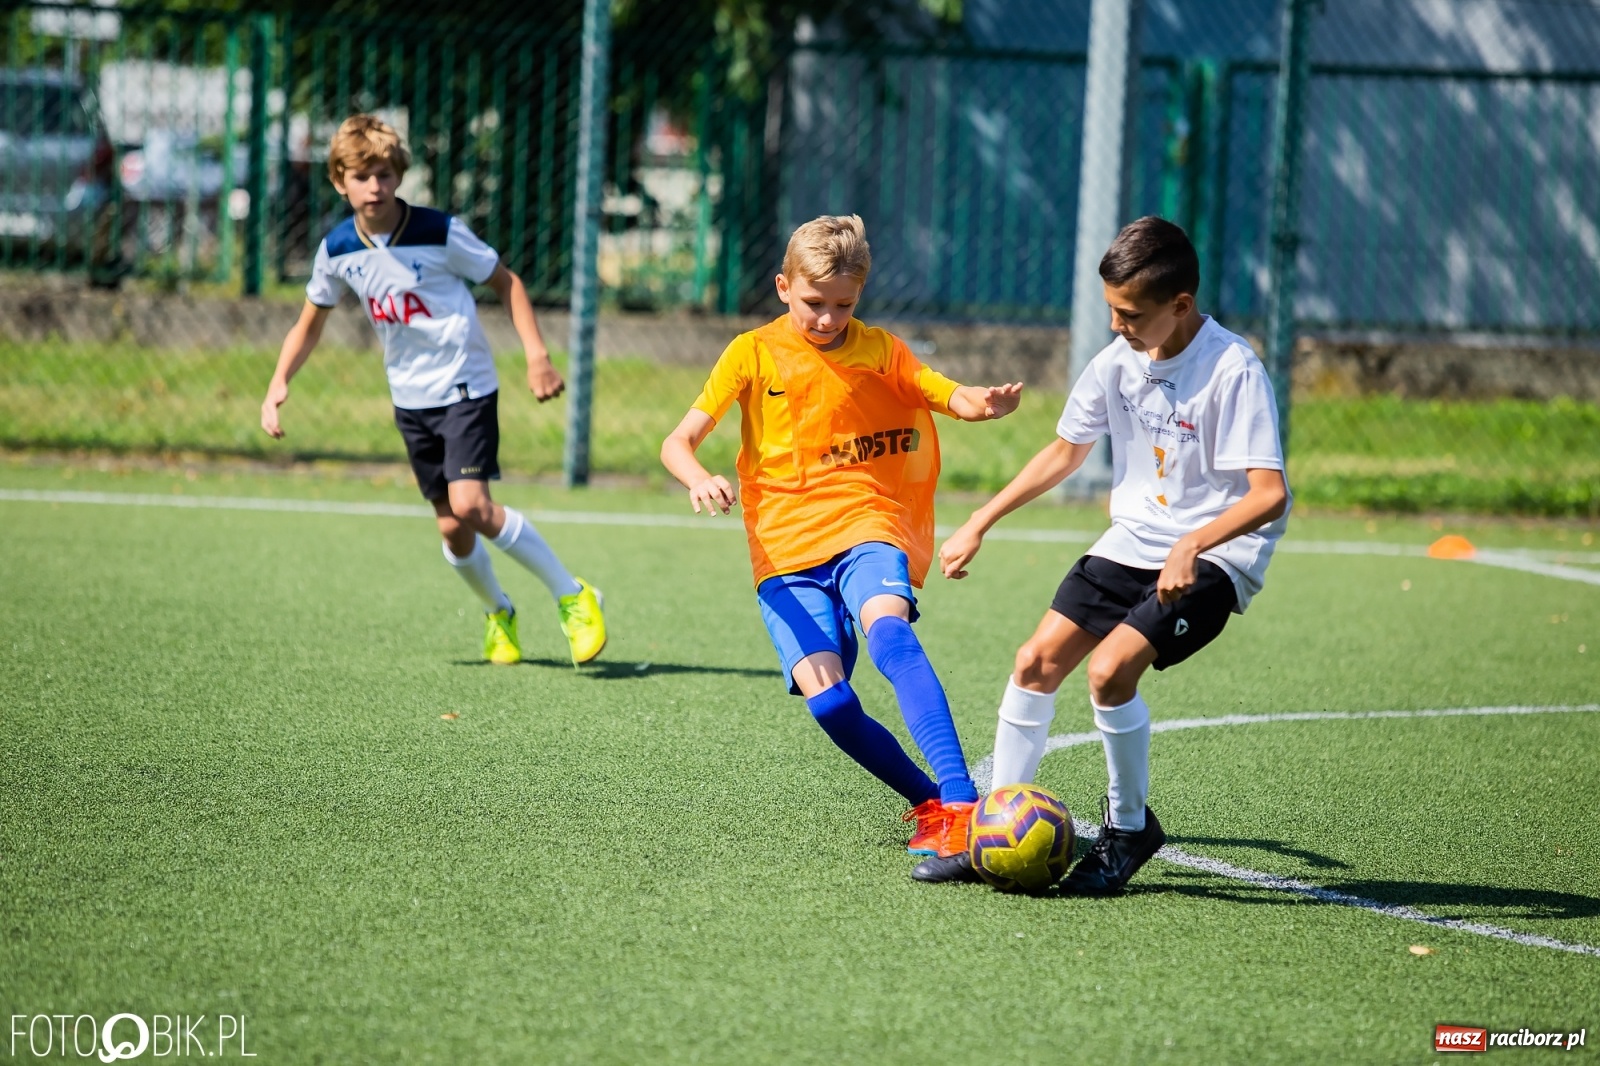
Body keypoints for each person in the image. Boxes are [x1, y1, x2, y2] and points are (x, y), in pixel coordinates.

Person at [932, 216, 1291, 889]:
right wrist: (980, 520)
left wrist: (1192, 544)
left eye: (1130, 314)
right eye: (1111, 309)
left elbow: (1270, 495)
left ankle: (1128, 830)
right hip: (1133, 540)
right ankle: (993, 833)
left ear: (1179, 305)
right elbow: (1066, 451)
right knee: (1034, 662)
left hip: (1219, 554)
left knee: (1108, 671)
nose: (1116, 325)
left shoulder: (1232, 368)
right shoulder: (1118, 361)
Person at [660, 215, 1024, 878]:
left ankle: (961, 803)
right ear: (783, 288)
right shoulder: (750, 352)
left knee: (891, 635)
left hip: (864, 521)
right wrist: (698, 476)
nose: (829, 319)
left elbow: (940, 391)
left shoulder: (880, 348)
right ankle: (926, 801)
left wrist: (978, 403)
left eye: (844, 305)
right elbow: (677, 441)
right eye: (814, 303)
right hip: (782, 551)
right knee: (829, 701)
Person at [260, 115, 606, 667]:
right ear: (339, 181)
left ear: (399, 176)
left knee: (472, 505)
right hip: (410, 398)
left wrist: (537, 356)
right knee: (451, 527)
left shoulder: (439, 231)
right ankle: (498, 612)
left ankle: (573, 595)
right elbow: (309, 324)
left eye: (384, 174)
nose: (375, 187)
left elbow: (507, 282)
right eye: (362, 176)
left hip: (465, 384)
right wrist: (279, 381)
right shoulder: (337, 248)